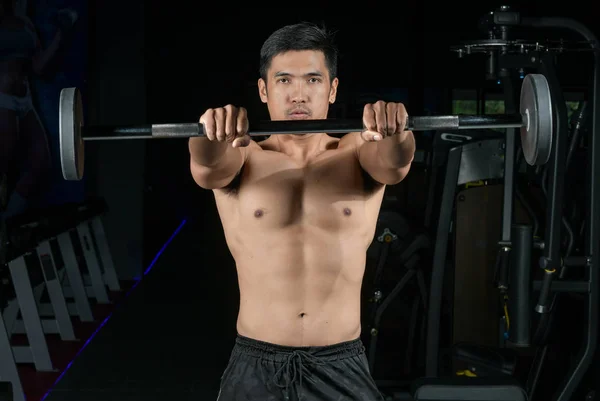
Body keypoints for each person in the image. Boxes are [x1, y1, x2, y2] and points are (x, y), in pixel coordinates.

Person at [189, 22, 415, 401]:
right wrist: (208, 131)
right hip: (256, 364)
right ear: (263, 90)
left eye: (312, 80)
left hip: (340, 363)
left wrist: (398, 132)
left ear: (333, 88)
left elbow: (393, 163)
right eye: (283, 81)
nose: (298, 95)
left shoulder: (357, 151)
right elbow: (208, 167)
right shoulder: (244, 154)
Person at [0, 0, 77, 222]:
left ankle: (8, 221)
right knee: (3, 164)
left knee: (40, 163)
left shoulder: (25, 22)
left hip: (24, 99)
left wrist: (63, 31)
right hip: (2, 98)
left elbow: (39, 67)